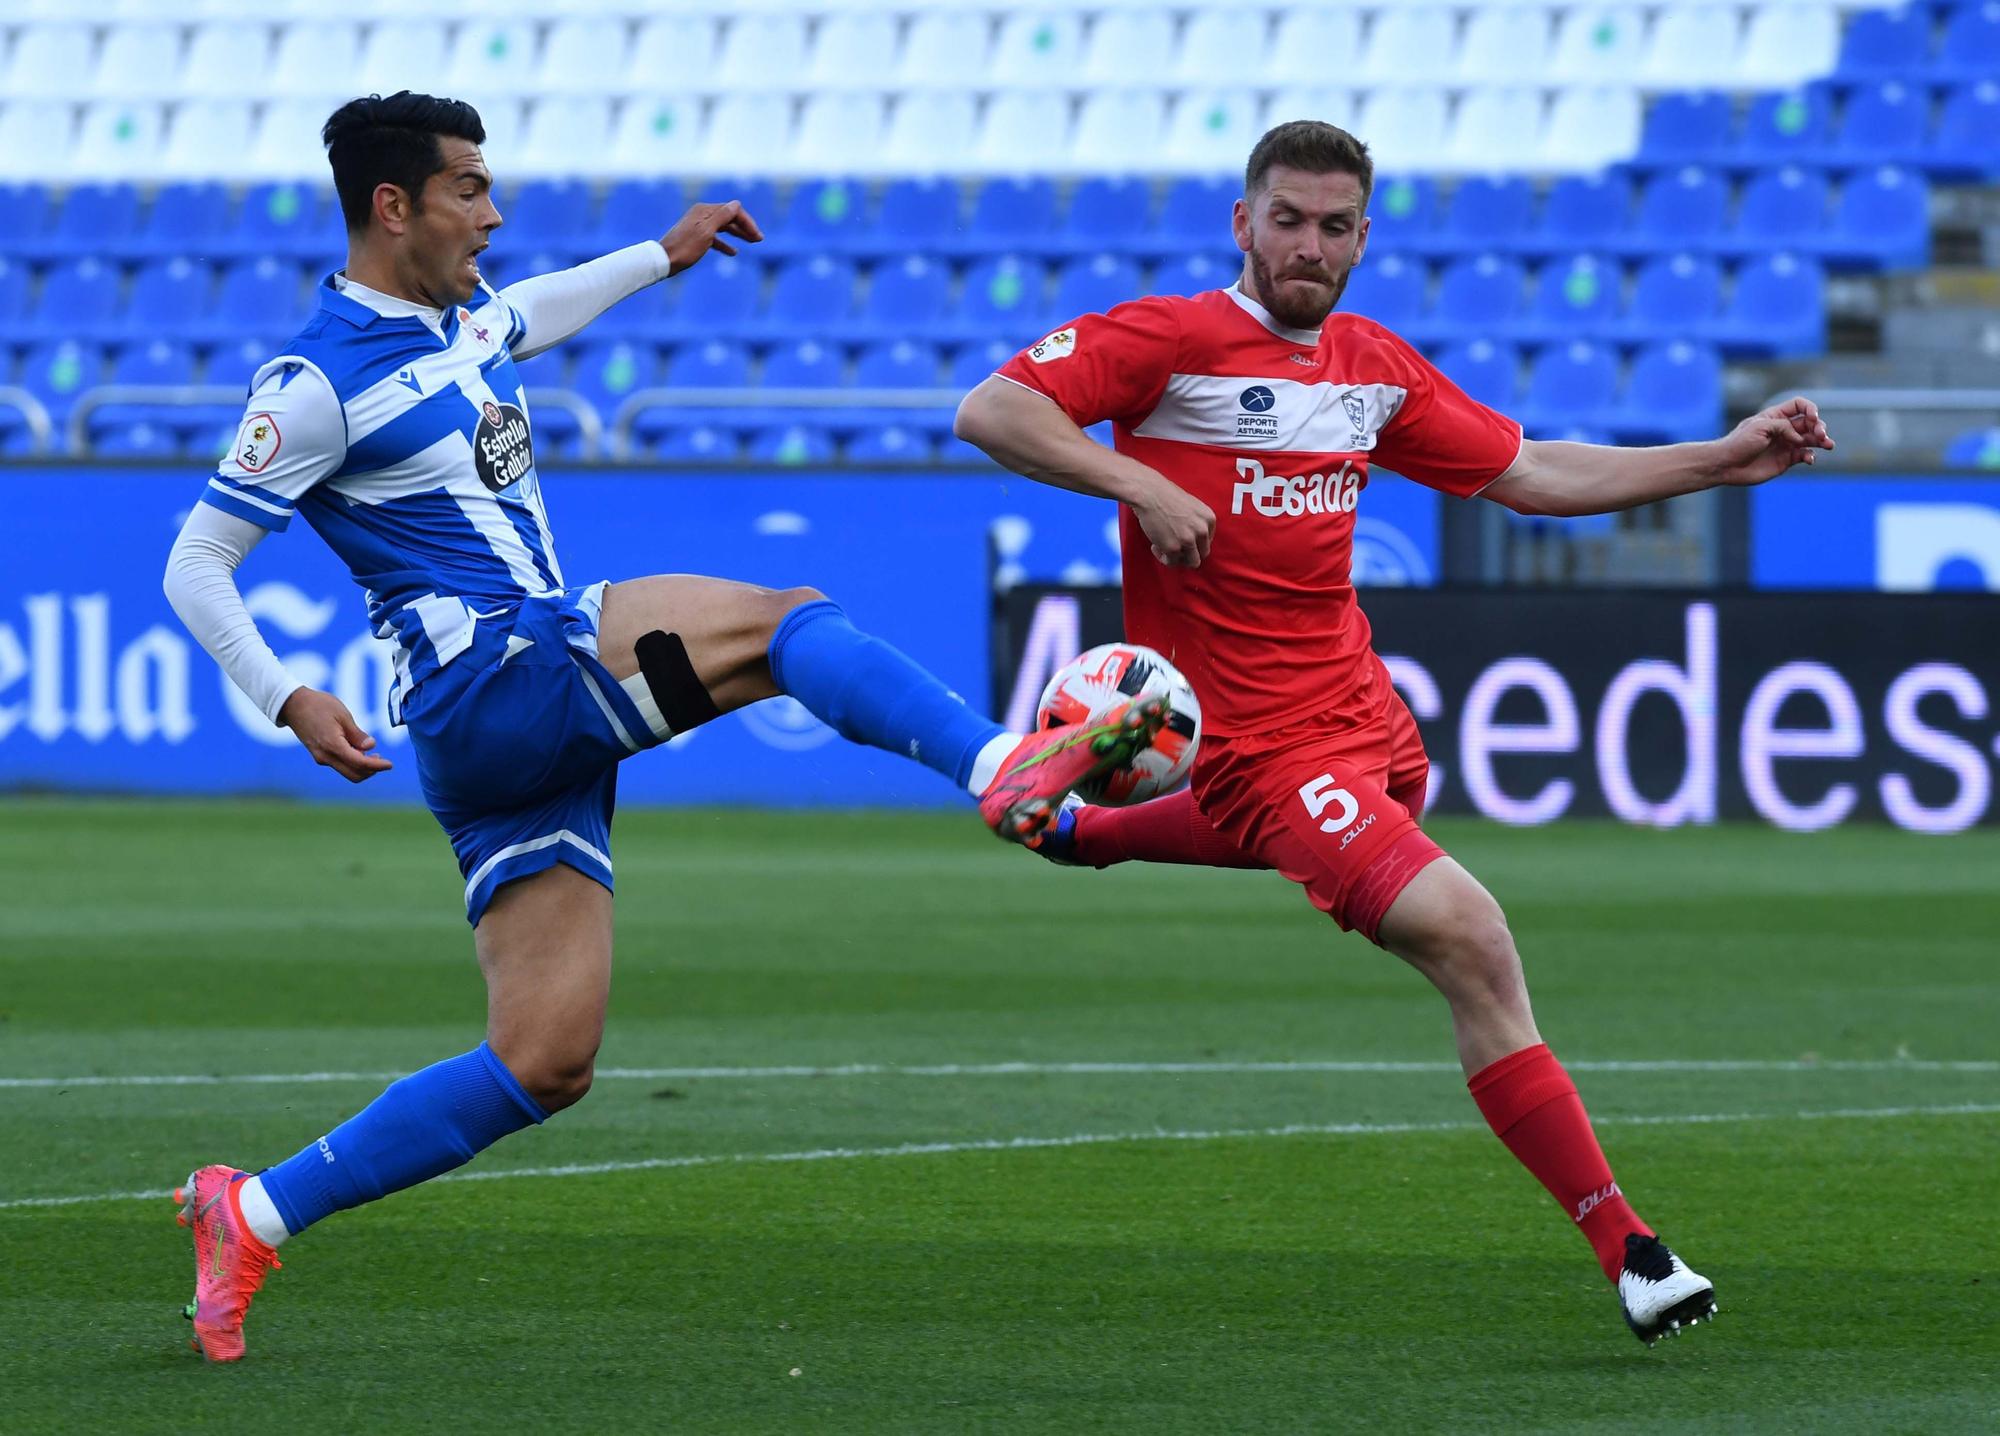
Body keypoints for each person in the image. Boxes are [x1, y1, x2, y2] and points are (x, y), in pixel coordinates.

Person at [159, 91, 1165, 1363]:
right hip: (498, 671)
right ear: (392, 205)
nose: (493, 211)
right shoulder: (313, 385)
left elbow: (537, 308)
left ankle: (250, 1210)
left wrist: (663, 253)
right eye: (469, 187)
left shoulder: (466, 317)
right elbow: (196, 561)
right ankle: (1001, 762)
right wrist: (287, 695)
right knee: (786, 622)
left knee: (543, 1060)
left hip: (501, 744)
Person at [954, 119, 1835, 1345]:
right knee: (1470, 936)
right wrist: (1137, 481)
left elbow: (1529, 471)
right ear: (1242, 222)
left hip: (1366, 716)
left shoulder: (1369, 368)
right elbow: (991, 410)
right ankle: (1630, 1249)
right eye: (1285, 219)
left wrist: (1718, 460)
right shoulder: (1168, 341)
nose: (1305, 246)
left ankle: (1080, 831)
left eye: (1332, 226)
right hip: (1258, 746)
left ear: (1362, 238)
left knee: (1361, 832)